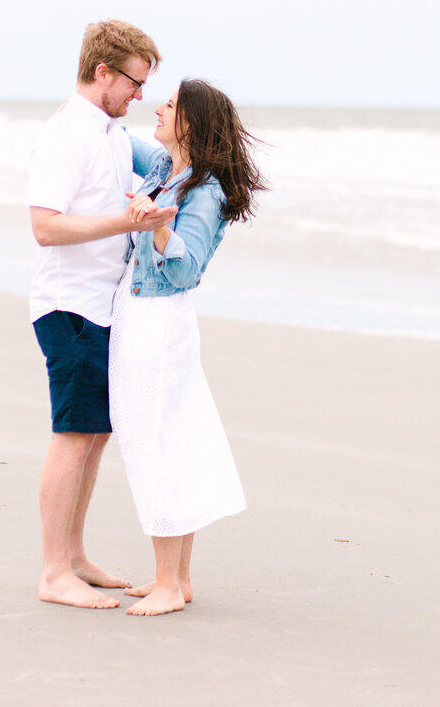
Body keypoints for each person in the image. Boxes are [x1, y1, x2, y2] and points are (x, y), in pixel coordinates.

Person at [28, 20, 177, 610]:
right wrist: (126, 223)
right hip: (69, 306)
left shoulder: (111, 131)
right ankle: (51, 572)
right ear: (101, 73)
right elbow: (46, 227)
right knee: (72, 436)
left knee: (94, 434)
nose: (139, 96)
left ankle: (75, 556)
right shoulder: (68, 133)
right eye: (135, 83)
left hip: (101, 305)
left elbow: (159, 171)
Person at [109, 78, 267, 616]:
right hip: (139, 316)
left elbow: (186, 269)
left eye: (169, 105)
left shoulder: (203, 191)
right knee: (167, 435)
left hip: (161, 321)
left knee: (158, 442)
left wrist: (157, 230)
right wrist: (92, 102)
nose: (156, 108)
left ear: (191, 122)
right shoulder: (166, 167)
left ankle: (167, 586)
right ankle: (178, 578)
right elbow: (113, 136)